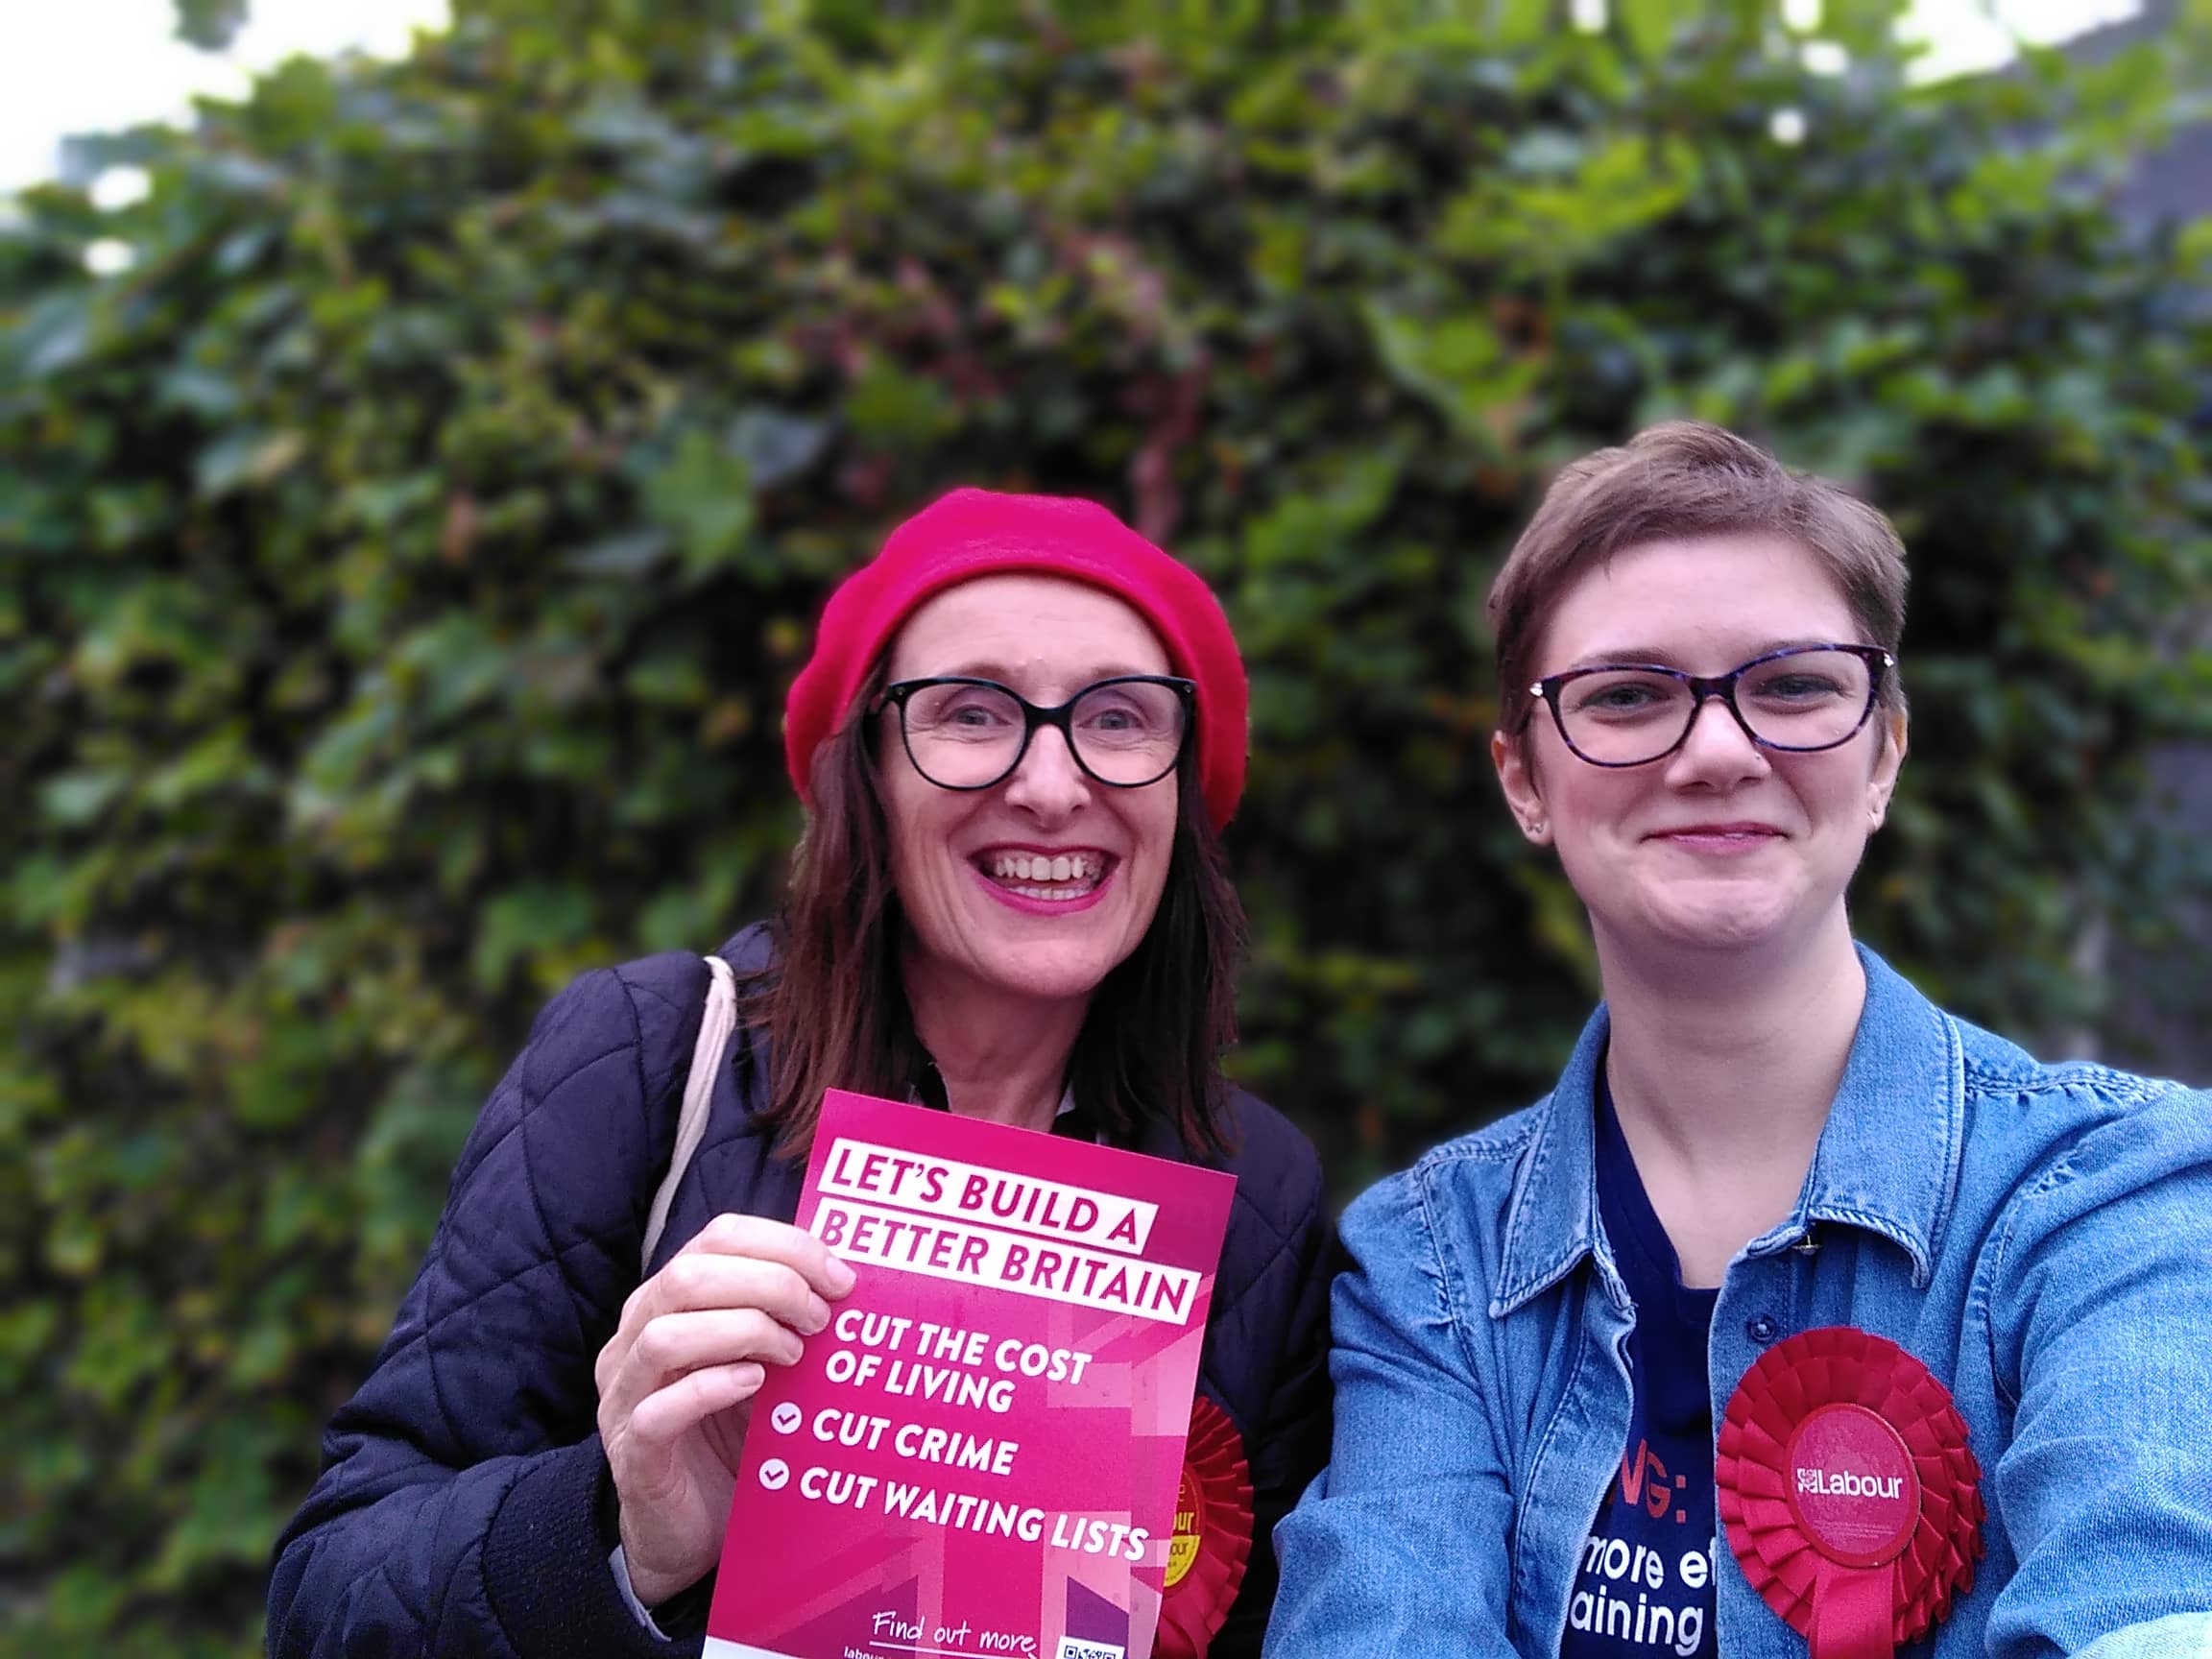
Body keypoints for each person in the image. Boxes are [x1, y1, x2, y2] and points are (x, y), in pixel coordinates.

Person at [268, 489, 1334, 1658]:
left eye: (1121, 719)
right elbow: (328, 1597)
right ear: (866, 773)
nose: (1050, 784)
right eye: (972, 713)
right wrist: (624, 1540)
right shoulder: (647, 1057)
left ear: (1184, 789)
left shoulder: (1256, 1193)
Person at [1264, 422, 2212, 1658]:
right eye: (1626, 695)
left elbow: (2151, 1608)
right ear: (1525, 782)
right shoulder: (1425, 1268)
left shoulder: (2113, 1193)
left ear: (1884, 753)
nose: (1718, 750)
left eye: (1796, 686)